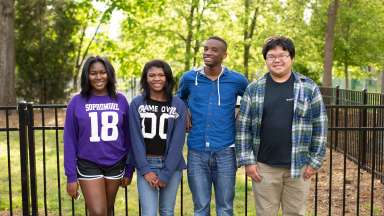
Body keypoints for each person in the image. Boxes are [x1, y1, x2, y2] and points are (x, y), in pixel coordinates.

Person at [236, 36, 327, 216]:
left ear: (291, 58)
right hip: (264, 168)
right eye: (271, 56)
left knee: (295, 213)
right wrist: (248, 161)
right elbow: (243, 128)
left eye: (283, 55)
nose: (277, 60)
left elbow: (320, 125)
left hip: (299, 166)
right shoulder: (254, 89)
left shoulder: (308, 88)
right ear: (266, 60)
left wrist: (314, 162)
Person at [177, 36, 248, 216]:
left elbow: (252, 100)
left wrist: (241, 113)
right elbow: (178, 99)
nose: (208, 52)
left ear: (224, 55)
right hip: (196, 151)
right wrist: (184, 110)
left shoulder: (237, 80)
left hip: (225, 151)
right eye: (206, 48)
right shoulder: (189, 78)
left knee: (225, 207)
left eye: (214, 50)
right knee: (200, 207)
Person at [64, 56, 134, 216]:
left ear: (109, 74)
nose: (98, 77)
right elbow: (69, 141)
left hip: (116, 163)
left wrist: (129, 169)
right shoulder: (76, 101)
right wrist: (71, 177)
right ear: (86, 76)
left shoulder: (121, 99)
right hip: (88, 163)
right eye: (93, 73)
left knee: (107, 210)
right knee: (98, 212)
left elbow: (129, 137)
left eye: (103, 72)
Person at [129, 60, 187, 216]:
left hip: (172, 166)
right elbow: (135, 140)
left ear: (167, 78)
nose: (157, 78)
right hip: (147, 163)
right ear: (145, 78)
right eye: (152, 75)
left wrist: (167, 173)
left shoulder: (178, 104)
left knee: (167, 211)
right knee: (148, 212)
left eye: (161, 75)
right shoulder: (136, 103)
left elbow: (178, 141)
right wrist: (145, 170)